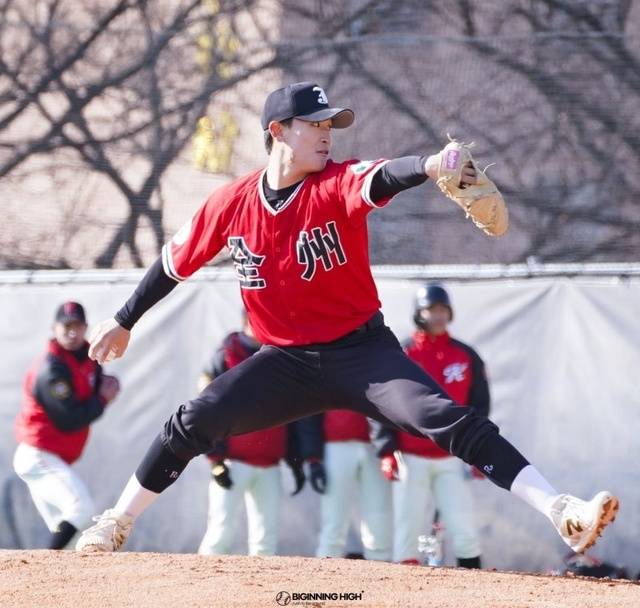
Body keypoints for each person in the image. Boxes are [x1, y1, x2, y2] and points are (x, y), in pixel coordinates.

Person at [74, 81, 618, 555]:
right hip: (283, 362)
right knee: (193, 419)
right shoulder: (232, 203)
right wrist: (124, 319)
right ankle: (116, 522)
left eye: (330, 125)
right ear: (278, 131)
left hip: (362, 354)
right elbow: (173, 264)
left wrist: (431, 166)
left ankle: (561, 511)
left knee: (448, 420)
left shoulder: (333, 185)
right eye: (314, 124)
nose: (327, 134)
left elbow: (379, 177)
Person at [377, 283, 488, 567]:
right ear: (419, 313)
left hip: (452, 456)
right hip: (410, 457)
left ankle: (475, 588)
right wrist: (386, 449)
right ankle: (403, 590)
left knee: (464, 529)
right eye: (431, 310)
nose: (438, 316)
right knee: (407, 531)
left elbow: (480, 406)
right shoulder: (402, 354)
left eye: (442, 310)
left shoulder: (465, 355)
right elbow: (381, 404)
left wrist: (479, 452)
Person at [197, 314, 325, 556]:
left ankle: (259, 584)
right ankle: (198, 581)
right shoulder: (226, 355)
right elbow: (206, 410)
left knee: (266, 539)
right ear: (248, 320)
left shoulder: (282, 355)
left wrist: (296, 459)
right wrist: (215, 459)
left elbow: (295, 411)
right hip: (232, 462)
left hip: (269, 464)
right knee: (219, 534)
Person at [14, 301, 120, 549]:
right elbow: (69, 420)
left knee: (64, 527)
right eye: (67, 326)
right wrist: (102, 399)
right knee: (81, 509)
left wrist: (109, 385)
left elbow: (95, 381)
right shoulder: (51, 369)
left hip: (51, 456)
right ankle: (45, 562)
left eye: (78, 326)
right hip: (38, 455)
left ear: (86, 327)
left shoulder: (86, 357)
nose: (73, 332)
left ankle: (49, 570)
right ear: (54, 328)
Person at [315, 409, 393, 561]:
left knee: (378, 512)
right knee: (334, 513)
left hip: (374, 446)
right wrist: (312, 458)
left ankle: (380, 563)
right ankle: (326, 563)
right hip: (335, 442)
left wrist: (387, 447)